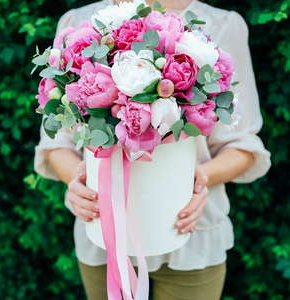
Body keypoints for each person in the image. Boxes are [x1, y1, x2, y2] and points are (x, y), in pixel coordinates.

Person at [34, 0, 271, 299]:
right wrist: (76, 180)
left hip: (190, 236)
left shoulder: (224, 26)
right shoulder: (78, 24)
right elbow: (57, 141)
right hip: (103, 239)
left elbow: (243, 145)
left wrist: (198, 178)